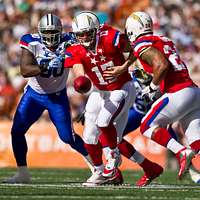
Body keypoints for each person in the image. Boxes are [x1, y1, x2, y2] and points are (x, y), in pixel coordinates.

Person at [65, 11, 163, 187]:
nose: (85, 37)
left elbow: (136, 47)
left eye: (88, 33)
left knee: (104, 124)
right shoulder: (75, 48)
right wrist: (82, 82)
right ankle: (100, 171)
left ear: (97, 30)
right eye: (81, 34)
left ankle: (113, 156)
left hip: (122, 88)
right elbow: (79, 72)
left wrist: (124, 67)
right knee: (89, 136)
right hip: (99, 91)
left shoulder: (110, 37)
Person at [4, 13, 93, 184]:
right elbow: (25, 69)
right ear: (40, 32)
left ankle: (96, 167)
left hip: (57, 96)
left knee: (68, 137)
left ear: (61, 31)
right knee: (17, 131)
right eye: (47, 33)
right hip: (34, 95)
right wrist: (43, 66)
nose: (51, 37)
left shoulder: (70, 40)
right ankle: (23, 173)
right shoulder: (31, 41)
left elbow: (89, 44)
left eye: (54, 33)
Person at [121, 11, 200, 180]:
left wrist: (151, 87)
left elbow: (162, 65)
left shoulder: (142, 44)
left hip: (178, 92)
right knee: (196, 142)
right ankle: (188, 156)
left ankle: (181, 152)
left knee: (147, 126)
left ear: (132, 30)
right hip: (194, 92)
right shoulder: (163, 40)